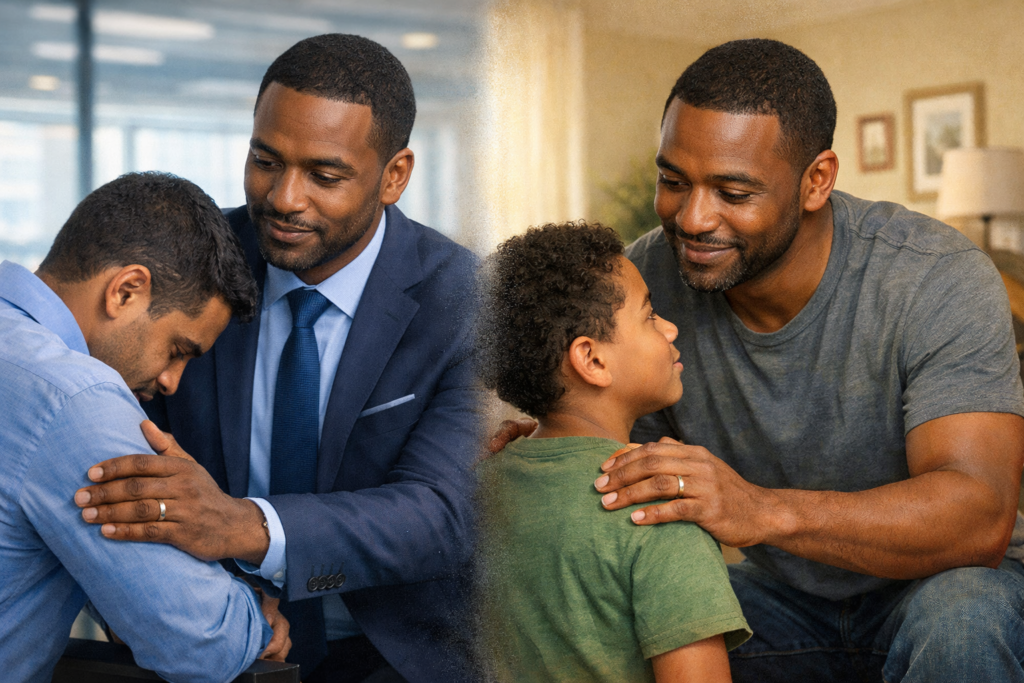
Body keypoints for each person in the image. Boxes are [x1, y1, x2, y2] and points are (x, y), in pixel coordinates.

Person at [494, 39, 1024, 682]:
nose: (693, 218)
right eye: (672, 181)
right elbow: (613, 440)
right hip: (779, 602)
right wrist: (549, 435)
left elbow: (978, 518)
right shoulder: (647, 279)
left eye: (733, 191)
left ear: (816, 181)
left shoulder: (935, 277)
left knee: (965, 619)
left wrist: (761, 509)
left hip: (941, 589)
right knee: (632, 612)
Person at [71, 34, 480, 682]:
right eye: (266, 161)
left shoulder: (468, 300)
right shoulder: (190, 264)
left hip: (397, 657)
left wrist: (243, 526)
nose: (285, 198)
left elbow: (440, 514)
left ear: (394, 175)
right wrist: (166, 599)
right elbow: (107, 459)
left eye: (324, 175)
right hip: (218, 640)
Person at [0, 172, 290, 683]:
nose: (171, 381)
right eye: (177, 350)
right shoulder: (76, 397)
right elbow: (200, 642)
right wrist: (252, 616)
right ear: (126, 290)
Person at [475, 221, 750, 682]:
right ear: (593, 360)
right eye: (649, 315)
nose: (670, 328)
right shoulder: (657, 508)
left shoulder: (476, 488)